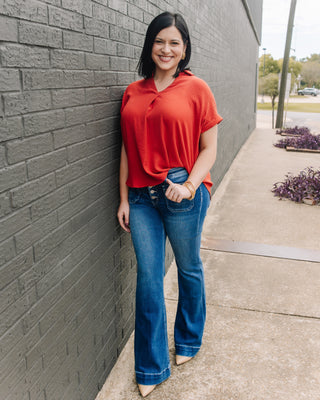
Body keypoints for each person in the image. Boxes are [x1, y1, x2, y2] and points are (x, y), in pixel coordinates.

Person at [117, 11, 222, 398]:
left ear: (184, 49)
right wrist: (124, 198)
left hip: (182, 190)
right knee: (148, 279)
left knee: (188, 267)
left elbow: (210, 149)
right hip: (141, 196)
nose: (166, 48)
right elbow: (127, 149)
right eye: (160, 41)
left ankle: (189, 340)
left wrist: (192, 185)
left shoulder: (197, 89)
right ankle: (151, 366)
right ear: (150, 45)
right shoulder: (133, 90)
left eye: (174, 42)